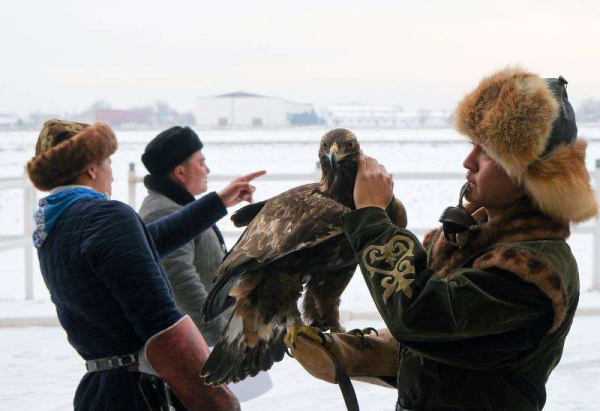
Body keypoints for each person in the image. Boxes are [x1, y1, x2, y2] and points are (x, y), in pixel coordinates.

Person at [289, 67, 598, 410]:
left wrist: (372, 217)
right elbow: (449, 350)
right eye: (472, 145)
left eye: (488, 152)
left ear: (533, 175)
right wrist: (358, 353)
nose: (468, 161)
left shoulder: (534, 270)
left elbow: (422, 318)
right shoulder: (473, 239)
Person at [26, 120, 255, 410]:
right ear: (91, 169)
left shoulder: (55, 227)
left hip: (101, 391)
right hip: (143, 394)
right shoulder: (106, 216)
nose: (112, 173)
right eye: (108, 162)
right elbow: (162, 325)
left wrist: (217, 202)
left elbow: (148, 241)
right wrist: (219, 401)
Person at [138, 126, 273, 402]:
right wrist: (220, 338)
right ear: (180, 172)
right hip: (198, 350)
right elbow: (181, 282)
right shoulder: (163, 210)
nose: (207, 169)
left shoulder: (176, 206)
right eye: (201, 162)